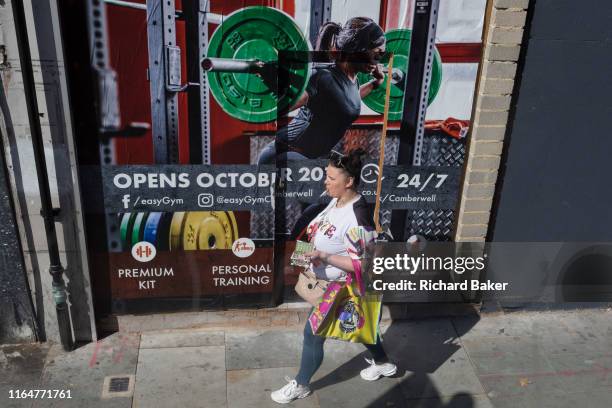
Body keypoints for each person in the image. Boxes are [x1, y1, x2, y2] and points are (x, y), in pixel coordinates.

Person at [270, 149, 397, 404]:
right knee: (362, 327)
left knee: (312, 334)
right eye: (325, 176)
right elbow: (318, 232)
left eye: (331, 178)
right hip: (326, 281)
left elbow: (362, 264)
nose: (325, 182)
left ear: (348, 181)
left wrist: (324, 256)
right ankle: (383, 363)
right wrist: (301, 258)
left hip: (339, 288)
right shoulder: (336, 201)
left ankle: (302, 385)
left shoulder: (357, 217)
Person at [257, 17, 386, 165]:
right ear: (355, 49)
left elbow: (346, 101)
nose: (379, 60)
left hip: (310, 155)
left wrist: (375, 83)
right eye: (376, 53)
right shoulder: (322, 76)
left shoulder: (352, 79)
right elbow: (278, 109)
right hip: (286, 153)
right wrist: (270, 78)